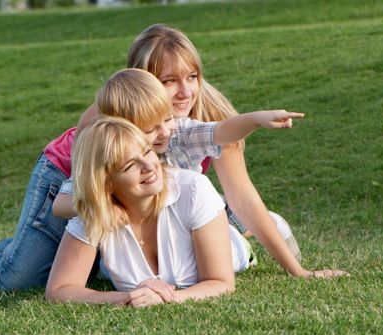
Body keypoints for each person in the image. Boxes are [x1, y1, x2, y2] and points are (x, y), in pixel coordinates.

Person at [67, 23, 320, 276]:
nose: (186, 92)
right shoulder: (106, 124)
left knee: (208, 250)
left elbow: (241, 192)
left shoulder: (183, 131)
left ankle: (240, 233)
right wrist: (108, 206)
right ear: (142, 82)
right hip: (112, 204)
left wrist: (256, 119)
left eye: (192, 77)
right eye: (169, 81)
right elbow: (75, 193)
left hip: (183, 216)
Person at [46, 117, 255, 306]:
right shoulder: (96, 209)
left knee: (241, 234)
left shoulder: (194, 188)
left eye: (146, 151)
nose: (149, 166)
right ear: (106, 183)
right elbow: (59, 289)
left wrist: (165, 299)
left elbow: (220, 282)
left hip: (229, 241)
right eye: (129, 165)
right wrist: (126, 297)